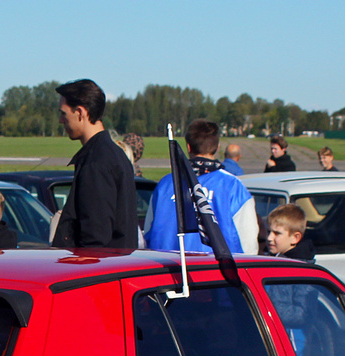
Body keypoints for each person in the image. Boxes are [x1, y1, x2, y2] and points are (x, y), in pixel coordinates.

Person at [144, 119, 258, 254]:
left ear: (188, 147)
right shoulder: (233, 186)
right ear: (218, 147)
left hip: (166, 268)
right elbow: (248, 242)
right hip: (213, 271)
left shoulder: (165, 184)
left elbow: (148, 233)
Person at [51, 79, 139, 249]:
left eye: (63, 113)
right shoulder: (115, 154)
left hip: (99, 268)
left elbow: (95, 235)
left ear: (80, 112)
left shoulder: (96, 161)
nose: (61, 120)